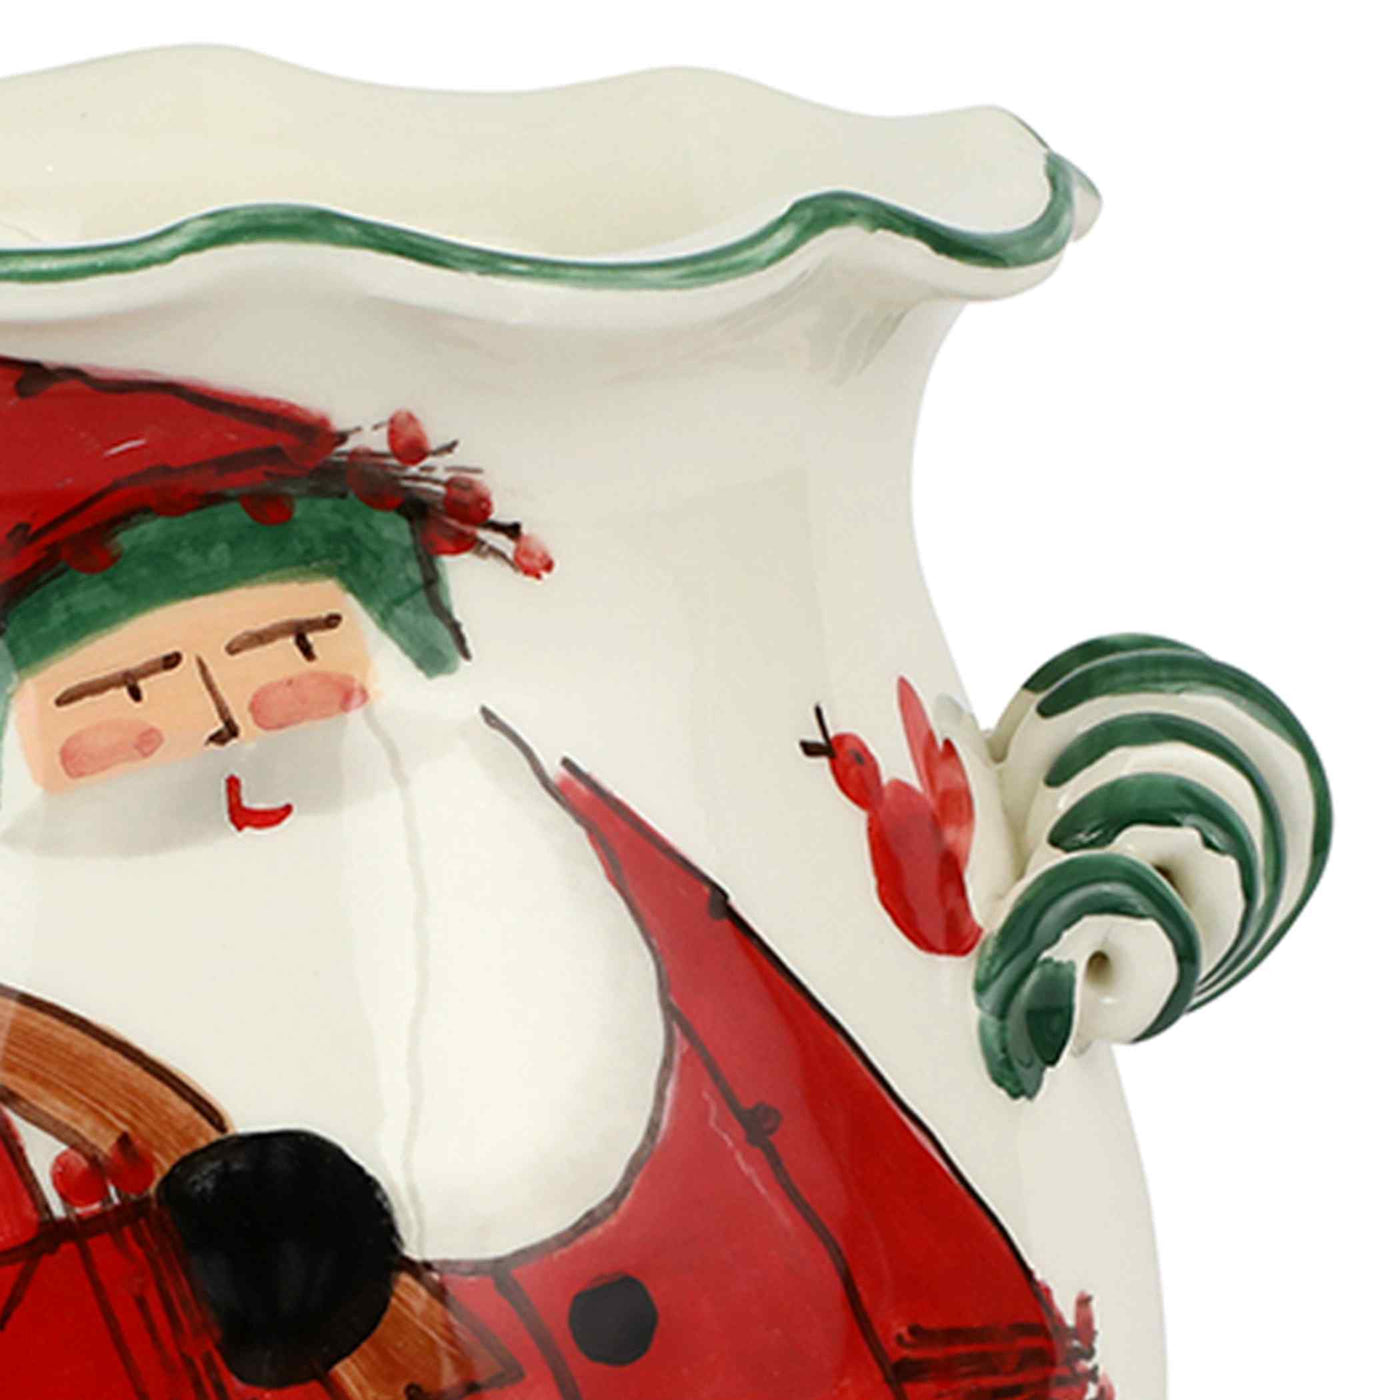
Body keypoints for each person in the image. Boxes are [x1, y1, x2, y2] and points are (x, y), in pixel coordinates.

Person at [0, 355, 1109, 1398]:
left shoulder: (603, 887)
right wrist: (161, 1285)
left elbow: (906, 1248)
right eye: (129, 706)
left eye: (289, 658)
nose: (237, 752)